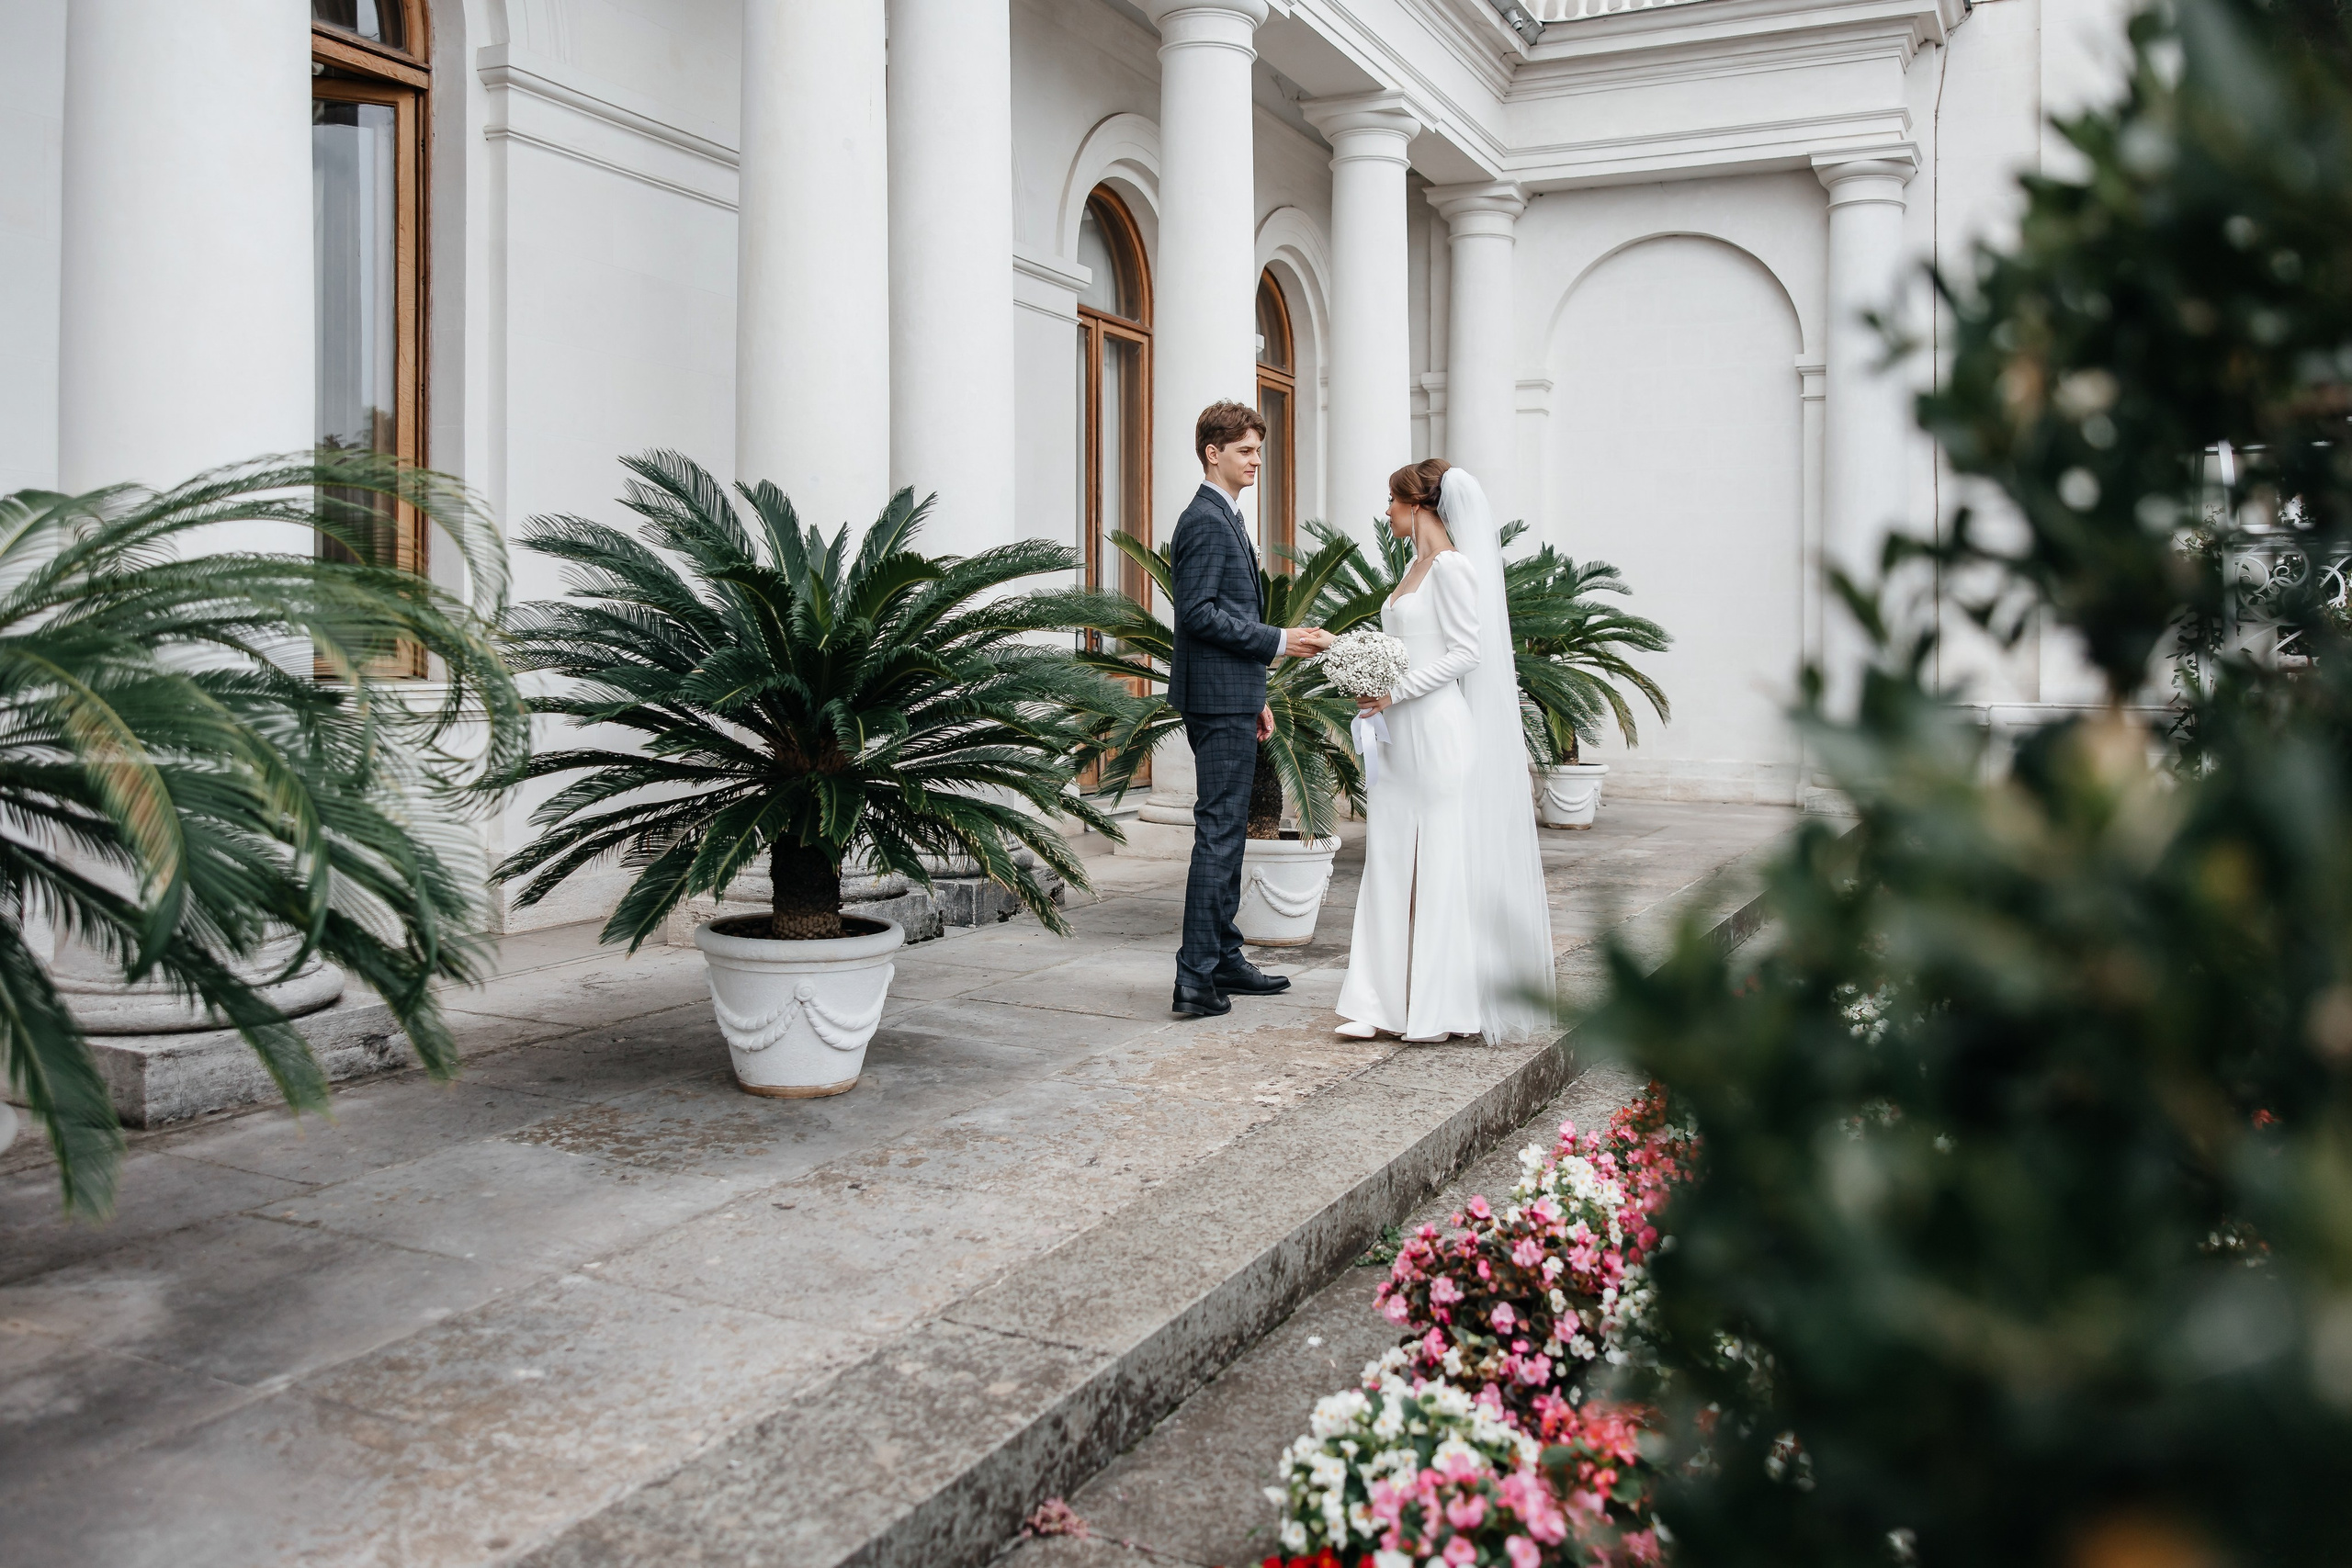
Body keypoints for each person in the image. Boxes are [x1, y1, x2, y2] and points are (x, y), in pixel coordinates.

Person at [1334, 461, 1555, 1043]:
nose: (1386, 512)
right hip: (1395, 732)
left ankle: (1441, 1008)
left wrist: (1394, 690)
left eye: (1392, 501)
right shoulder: (1414, 567)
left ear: (1419, 505)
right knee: (1386, 853)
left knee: (1438, 861)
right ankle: (1376, 1003)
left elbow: (1466, 653)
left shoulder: (1454, 568)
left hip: (1436, 730)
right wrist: (1367, 673)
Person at [1168, 400, 1333, 1018]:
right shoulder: (1207, 519)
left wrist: (1256, 694)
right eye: (1245, 450)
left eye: (1259, 449)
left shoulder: (1226, 514)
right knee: (1218, 833)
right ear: (1213, 452)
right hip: (1215, 699)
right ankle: (1194, 978)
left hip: (1231, 696)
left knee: (1228, 832)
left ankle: (1224, 955)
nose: (1256, 459)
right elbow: (1199, 613)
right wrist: (1280, 641)